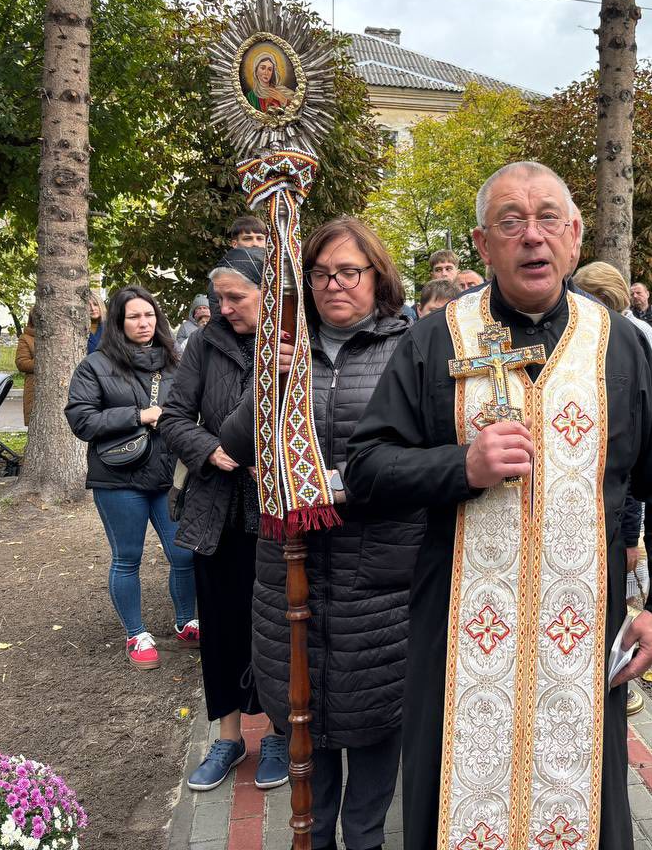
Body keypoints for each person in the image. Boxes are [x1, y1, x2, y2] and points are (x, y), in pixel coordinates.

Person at [344, 161, 652, 849]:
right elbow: (367, 467)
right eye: (510, 222)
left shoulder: (619, 344)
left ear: (574, 234)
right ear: (483, 244)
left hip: (581, 629)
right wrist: (461, 466)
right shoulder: (436, 340)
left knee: (583, 800)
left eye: (547, 219)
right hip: (460, 629)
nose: (532, 236)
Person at [219, 218, 423, 850]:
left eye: (349, 272)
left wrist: (348, 485)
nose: (334, 284)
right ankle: (317, 837)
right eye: (320, 273)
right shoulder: (284, 348)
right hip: (291, 574)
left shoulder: (411, 348)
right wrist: (268, 383)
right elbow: (235, 444)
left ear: (377, 277)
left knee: (376, 715)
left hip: (378, 573)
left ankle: (366, 838)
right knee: (305, 719)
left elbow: (428, 457)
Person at [159, 248, 288, 792]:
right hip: (216, 510)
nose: (224, 308)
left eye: (236, 298)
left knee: (278, 630)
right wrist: (209, 449)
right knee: (221, 627)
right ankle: (229, 738)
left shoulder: (294, 343)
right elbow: (172, 416)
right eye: (219, 299)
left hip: (275, 511)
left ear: (269, 294)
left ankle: (280, 733)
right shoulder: (204, 344)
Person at [64, 285, 197, 671]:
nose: (144, 323)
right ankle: (136, 634)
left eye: (149, 315)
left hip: (168, 475)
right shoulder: (96, 365)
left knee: (184, 554)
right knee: (128, 558)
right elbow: (81, 419)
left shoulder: (175, 363)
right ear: (119, 322)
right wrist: (139, 415)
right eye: (134, 316)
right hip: (119, 478)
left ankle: (186, 622)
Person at [572, 259, 652, 717]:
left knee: (622, 588)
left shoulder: (632, 337)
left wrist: (632, 532)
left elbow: (645, 440)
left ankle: (619, 675)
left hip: (620, 495)